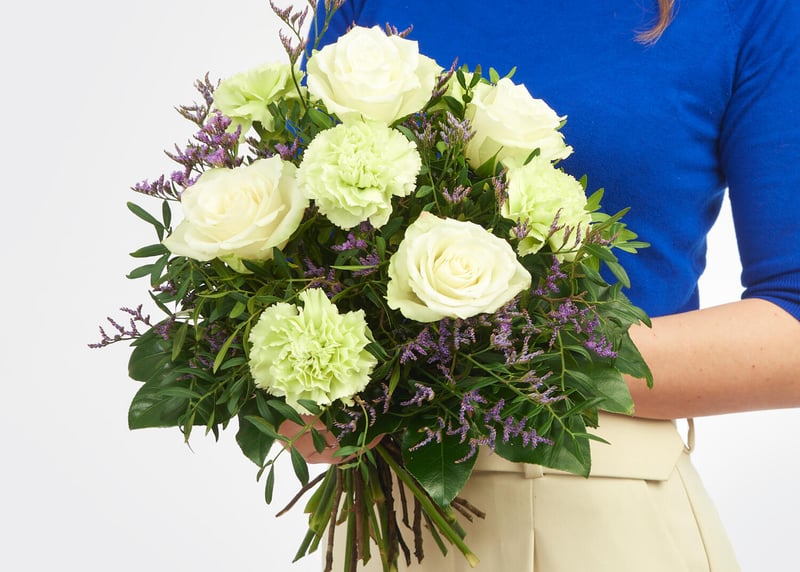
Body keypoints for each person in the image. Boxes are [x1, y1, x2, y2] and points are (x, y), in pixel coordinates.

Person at [304, 1, 800, 570]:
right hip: (389, 512)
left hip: (608, 514)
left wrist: (493, 353)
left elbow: (791, 326)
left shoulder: (743, 9)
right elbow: (296, 249)